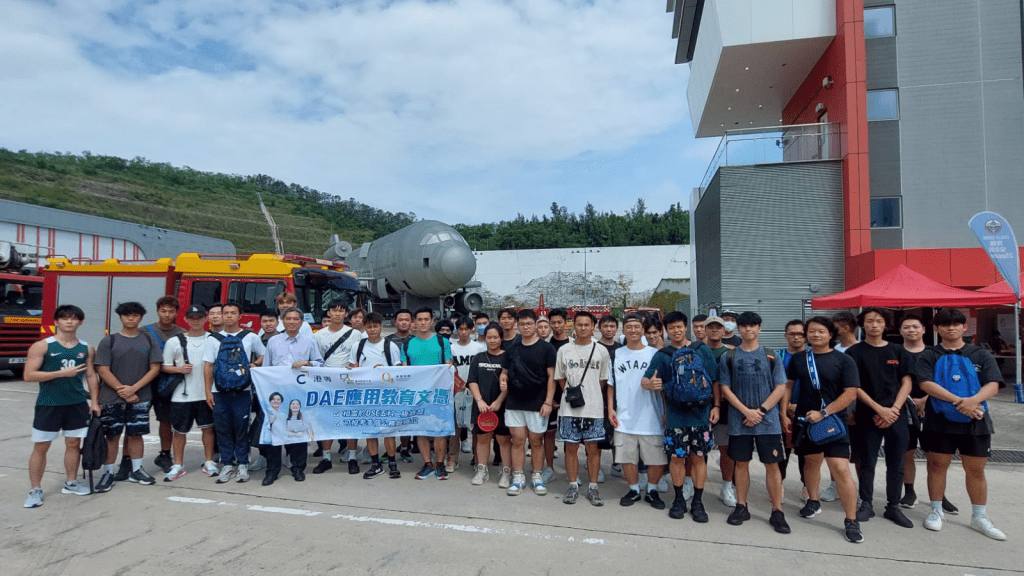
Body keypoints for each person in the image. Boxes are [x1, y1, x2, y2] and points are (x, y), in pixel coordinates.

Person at [916, 308, 1006, 540]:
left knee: (975, 470)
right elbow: (926, 383)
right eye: (945, 324)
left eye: (956, 324)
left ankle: (979, 517)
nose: (951, 328)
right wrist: (959, 401)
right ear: (936, 328)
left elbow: (994, 384)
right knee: (936, 466)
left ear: (965, 327)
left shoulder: (980, 353)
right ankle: (936, 511)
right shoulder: (929, 354)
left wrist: (973, 400)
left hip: (975, 420)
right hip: (939, 421)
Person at [781, 316, 863, 543]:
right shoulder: (798, 359)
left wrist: (825, 413)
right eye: (812, 331)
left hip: (832, 423)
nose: (816, 335)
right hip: (806, 421)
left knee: (840, 469)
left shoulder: (844, 360)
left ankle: (851, 520)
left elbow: (850, 393)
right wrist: (783, 410)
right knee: (811, 462)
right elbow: (788, 385)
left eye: (821, 331)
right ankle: (813, 501)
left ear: (831, 334)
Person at [643, 311, 719, 522]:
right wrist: (650, 384)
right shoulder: (663, 355)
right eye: (671, 328)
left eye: (679, 327)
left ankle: (698, 501)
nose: (676, 331)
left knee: (699, 458)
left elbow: (715, 380)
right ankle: (678, 499)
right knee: (676, 458)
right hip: (675, 415)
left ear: (686, 327)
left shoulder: (701, 350)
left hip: (701, 413)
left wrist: (717, 406)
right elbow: (646, 379)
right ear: (665, 331)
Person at [718, 312, 790, 533]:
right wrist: (745, 411)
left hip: (767, 422)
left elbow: (781, 387)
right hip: (739, 421)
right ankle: (741, 506)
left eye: (753, 326)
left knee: (772, 465)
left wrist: (760, 411)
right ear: (738, 329)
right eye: (744, 326)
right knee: (741, 464)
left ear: (759, 329)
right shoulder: (728, 357)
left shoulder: (771, 356)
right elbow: (725, 389)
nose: (748, 330)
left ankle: (777, 510)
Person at [23, 304, 98, 507]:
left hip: (76, 404)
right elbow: (28, 375)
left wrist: (95, 402)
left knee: (74, 445)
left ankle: (71, 482)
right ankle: (35, 489)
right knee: (42, 447)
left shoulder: (86, 347)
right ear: (56, 321)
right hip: (49, 404)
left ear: (80, 322)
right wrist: (61, 373)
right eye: (64, 318)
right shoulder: (42, 346)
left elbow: (91, 375)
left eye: (74, 318)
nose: (69, 321)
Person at [846, 308, 914, 528]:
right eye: (869, 321)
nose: (874, 325)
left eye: (879, 321)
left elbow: (907, 382)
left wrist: (893, 409)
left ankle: (893, 506)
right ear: (862, 325)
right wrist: (878, 409)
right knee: (867, 462)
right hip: (867, 415)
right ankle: (866, 503)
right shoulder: (854, 352)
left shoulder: (898, 350)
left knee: (897, 463)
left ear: (886, 325)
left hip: (897, 415)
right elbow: (854, 386)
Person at [93, 301, 163, 491]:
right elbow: (102, 369)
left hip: (140, 397)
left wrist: (134, 389)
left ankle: (137, 469)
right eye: (127, 315)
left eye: (135, 315)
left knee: (136, 434)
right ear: (120, 317)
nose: (131, 318)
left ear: (141, 317)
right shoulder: (110, 340)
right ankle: (108, 473)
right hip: (110, 397)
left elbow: (155, 368)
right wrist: (121, 389)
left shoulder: (149, 340)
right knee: (112, 436)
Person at [897, 315, 956, 513]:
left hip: (935, 409)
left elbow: (945, 381)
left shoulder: (936, 354)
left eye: (915, 326)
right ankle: (909, 491)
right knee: (908, 453)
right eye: (906, 327)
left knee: (936, 457)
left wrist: (925, 399)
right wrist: (910, 401)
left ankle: (940, 495)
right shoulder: (896, 353)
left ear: (924, 329)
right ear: (900, 331)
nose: (911, 330)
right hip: (904, 408)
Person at [608, 313, 665, 510]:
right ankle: (633, 489)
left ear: (642, 330)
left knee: (656, 459)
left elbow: (664, 383)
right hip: (624, 415)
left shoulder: (655, 354)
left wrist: (664, 409)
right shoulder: (617, 354)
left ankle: (652, 490)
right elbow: (610, 384)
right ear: (623, 330)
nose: (633, 330)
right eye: (629, 326)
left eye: (636, 326)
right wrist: (610, 408)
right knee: (627, 457)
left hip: (651, 416)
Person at [203, 302, 265, 484]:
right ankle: (227, 464)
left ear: (240, 316)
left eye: (233, 313)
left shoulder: (250, 337)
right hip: (219, 391)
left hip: (242, 391)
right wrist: (208, 391)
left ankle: (243, 462)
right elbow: (208, 366)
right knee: (223, 428)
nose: (229, 316)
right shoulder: (213, 339)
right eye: (226, 313)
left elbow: (263, 354)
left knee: (241, 427)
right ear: (221, 316)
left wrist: (255, 364)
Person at [262, 307, 325, 484]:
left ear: (301, 322)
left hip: (299, 392)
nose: (291, 322)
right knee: (275, 430)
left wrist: (307, 363)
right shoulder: (273, 341)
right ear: (282, 321)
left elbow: (320, 364)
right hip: (277, 394)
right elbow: (266, 368)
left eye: (295, 319)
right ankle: (272, 470)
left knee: (298, 429)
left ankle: (298, 468)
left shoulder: (309, 341)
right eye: (288, 318)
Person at [555, 311, 611, 505]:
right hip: (569, 409)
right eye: (579, 324)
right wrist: (573, 394)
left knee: (593, 448)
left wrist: (589, 394)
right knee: (570, 447)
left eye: (587, 324)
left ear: (593, 326)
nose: (583, 328)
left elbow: (603, 380)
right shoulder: (564, 350)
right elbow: (560, 377)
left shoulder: (601, 351)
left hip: (594, 408)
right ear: (574, 326)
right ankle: (572, 486)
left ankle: (593, 487)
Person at [501, 309, 556, 495]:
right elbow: (505, 371)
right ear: (517, 325)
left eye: (529, 324)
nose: (525, 327)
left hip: (538, 403)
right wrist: (502, 379)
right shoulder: (512, 349)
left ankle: (537, 476)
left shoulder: (547, 349)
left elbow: (552, 377)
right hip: (515, 402)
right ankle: (518, 477)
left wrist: (548, 402)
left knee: (536, 441)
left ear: (536, 325)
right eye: (522, 324)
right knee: (517, 441)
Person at [161, 305, 218, 482]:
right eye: (192, 318)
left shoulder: (214, 339)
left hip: (207, 394)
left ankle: (209, 461)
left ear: (205, 319)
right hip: (181, 394)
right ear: (185, 319)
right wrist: (178, 369)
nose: (195, 321)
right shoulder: (174, 341)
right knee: (179, 431)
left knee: (208, 429)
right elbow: (164, 366)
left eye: (199, 317)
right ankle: (178, 464)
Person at [311, 299, 363, 475]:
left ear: (346, 314)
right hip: (326, 384)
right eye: (334, 310)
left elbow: (359, 358)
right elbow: (315, 360)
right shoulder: (318, 335)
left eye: (342, 311)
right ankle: (326, 458)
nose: (338, 314)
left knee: (350, 420)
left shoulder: (355, 334)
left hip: (349, 384)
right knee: (326, 421)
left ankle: (353, 457)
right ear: (328, 313)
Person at [352, 312, 404, 479]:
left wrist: (385, 370)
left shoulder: (390, 346)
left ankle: (392, 462)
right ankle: (375, 464)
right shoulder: (358, 346)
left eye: (375, 326)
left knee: (388, 431)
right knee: (370, 431)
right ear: (364, 327)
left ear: (381, 326)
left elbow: (398, 371)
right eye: (369, 326)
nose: (372, 329)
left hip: (387, 395)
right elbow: (353, 366)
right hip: (365, 395)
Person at [406, 307, 454, 480]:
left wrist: (450, 369)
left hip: (438, 392)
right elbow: (404, 370)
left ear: (432, 321)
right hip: (416, 394)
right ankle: (427, 463)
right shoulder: (408, 343)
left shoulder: (442, 342)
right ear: (415, 322)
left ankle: (440, 464)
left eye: (426, 319)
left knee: (439, 430)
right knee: (421, 430)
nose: (423, 323)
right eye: (419, 319)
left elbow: (448, 363)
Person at [144, 295, 186, 474]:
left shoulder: (182, 333)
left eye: (171, 311)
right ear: (157, 311)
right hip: (144, 382)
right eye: (163, 311)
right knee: (136, 422)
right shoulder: (144, 331)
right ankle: (128, 459)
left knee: (165, 420)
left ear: (176, 313)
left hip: (167, 383)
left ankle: (165, 454)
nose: (167, 314)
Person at [468, 323, 511, 485]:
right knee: (482, 439)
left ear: (501, 338)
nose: (492, 340)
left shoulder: (508, 357)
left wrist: (499, 401)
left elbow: (510, 383)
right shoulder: (478, 358)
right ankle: (481, 470)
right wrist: (479, 400)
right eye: (489, 337)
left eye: (495, 337)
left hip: (502, 407)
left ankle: (506, 472)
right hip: (482, 408)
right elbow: (472, 380)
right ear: (484, 338)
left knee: (504, 440)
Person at [705, 315, 735, 506]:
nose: (715, 330)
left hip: (725, 409)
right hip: (700, 407)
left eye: (718, 327)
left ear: (724, 331)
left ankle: (726, 486)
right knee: (698, 450)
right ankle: (691, 483)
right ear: (704, 330)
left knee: (726, 450)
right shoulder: (698, 352)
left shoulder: (731, 354)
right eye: (711, 327)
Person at [449, 315, 485, 470]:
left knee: (476, 428)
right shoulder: (451, 347)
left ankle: (477, 459)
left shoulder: (479, 348)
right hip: (455, 391)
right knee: (454, 428)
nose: (463, 332)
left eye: (466, 329)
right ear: (457, 329)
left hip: (473, 392)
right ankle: (452, 459)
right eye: (460, 328)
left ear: (472, 329)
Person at [541, 308, 572, 483]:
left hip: (570, 399)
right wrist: (548, 399)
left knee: (570, 436)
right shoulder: (545, 345)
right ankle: (549, 468)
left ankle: (570, 470)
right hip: (550, 399)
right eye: (553, 322)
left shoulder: (573, 344)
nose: (556, 326)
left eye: (560, 322)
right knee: (549, 434)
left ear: (566, 322)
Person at [778, 320, 807, 485]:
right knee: (782, 453)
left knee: (806, 454)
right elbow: (774, 385)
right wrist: (785, 407)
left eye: (800, 334)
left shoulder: (813, 357)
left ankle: (807, 487)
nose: (796, 337)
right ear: (785, 336)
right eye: (792, 334)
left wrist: (799, 404)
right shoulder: (778, 357)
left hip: (806, 412)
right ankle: (778, 485)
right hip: (782, 412)